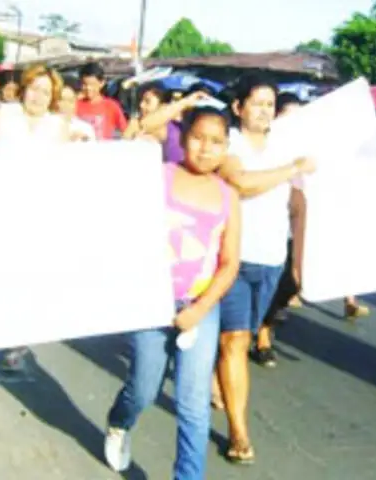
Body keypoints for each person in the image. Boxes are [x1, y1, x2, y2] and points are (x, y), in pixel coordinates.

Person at [104, 106, 240, 479]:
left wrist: (200, 309)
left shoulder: (229, 197)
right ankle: (119, 421)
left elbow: (229, 264)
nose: (206, 148)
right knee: (143, 389)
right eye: (197, 137)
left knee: (193, 405)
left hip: (200, 307)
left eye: (216, 142)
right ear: (182, 138)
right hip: (150, 303)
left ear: (226, 147)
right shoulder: (156, 177)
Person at [213, 74, 315, 464]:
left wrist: (302, 262)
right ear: (238, 108)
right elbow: (241, 182)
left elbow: (299, 206)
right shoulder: (229, 142)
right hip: (232, 258)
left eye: (270, 104)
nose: (264, 111)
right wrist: (291, 168)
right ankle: (239, 433)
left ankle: (213, 373)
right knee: (235, 342)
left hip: (272, 259)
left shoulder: (285, 147)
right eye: (256, 103)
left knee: (243, 336)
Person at [252, 92, 307, 368]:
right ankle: (260, 336)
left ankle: (264, 324)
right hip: (257, 231)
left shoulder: (304, 152)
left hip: (289, 230)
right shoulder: (261, 148)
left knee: (292, 282)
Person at [0, 64, 70, 147]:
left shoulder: (58, 125)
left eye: (46, 92)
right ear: (24, 89)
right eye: (34, 89)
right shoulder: (3, 114)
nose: (38, 96)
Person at [75, 62, 127, 140]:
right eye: (85, 84)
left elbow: (125, 130)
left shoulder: (111, 106)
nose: (88, 88)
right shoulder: (76, 105)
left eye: (92, 84)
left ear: (101, 83)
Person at [58, 76, 96, 141]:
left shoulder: (85, 128)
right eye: (62, 100)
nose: (66, 105)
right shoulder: (45, 125)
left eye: (70, 101)